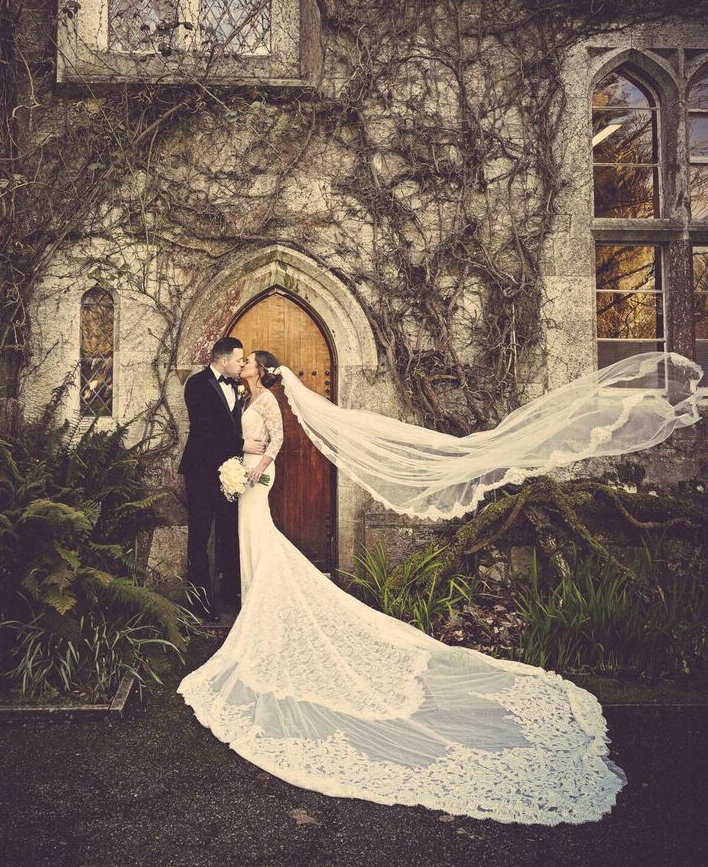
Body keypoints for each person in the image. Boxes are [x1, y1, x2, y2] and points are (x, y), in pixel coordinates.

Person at [178, 349, 701, 823]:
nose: (243, 363)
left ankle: (261, 605)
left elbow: (280, 439)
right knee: (250, 539)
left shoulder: (266, 398)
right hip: (239, 472)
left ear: (259, 371)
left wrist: (254, 468)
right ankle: (253, 601)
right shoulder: (238, 396)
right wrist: (236, 465)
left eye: (248, 361)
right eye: (240, 359)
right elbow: (226, 432)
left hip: (254, 475)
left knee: (258, 536)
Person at [177, 337, 266, 621]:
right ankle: (200, 601)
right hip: (202, 471)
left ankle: (231, 594)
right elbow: (205, 427)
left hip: (230, 473)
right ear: (223, 360)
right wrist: (241, 445)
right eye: (239, 360)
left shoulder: (238, 388)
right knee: (200, 535)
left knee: (229, 532)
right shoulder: (197, 384)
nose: (241, 364)